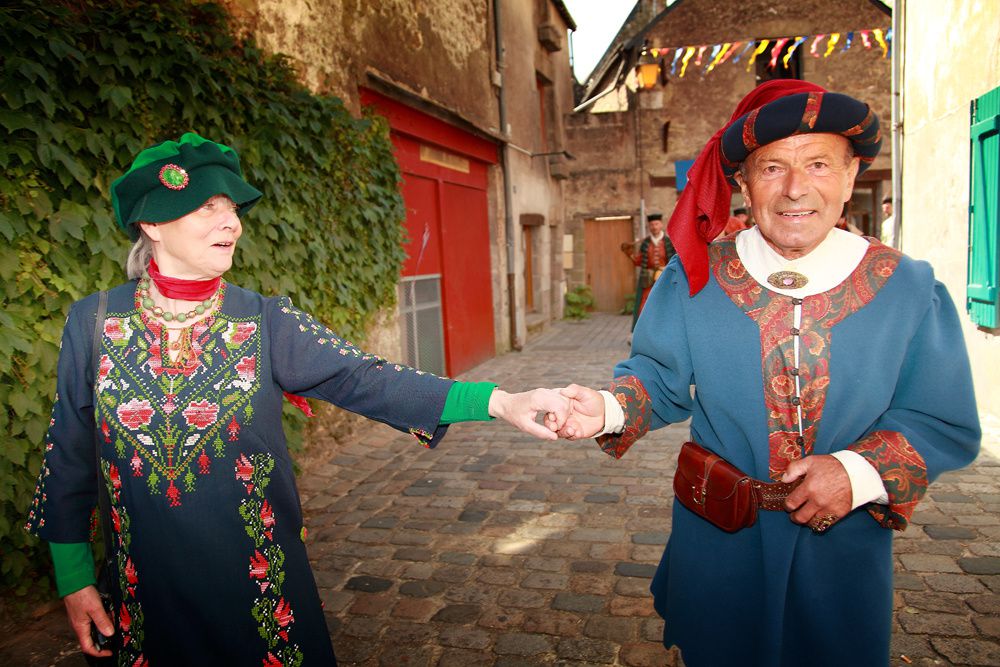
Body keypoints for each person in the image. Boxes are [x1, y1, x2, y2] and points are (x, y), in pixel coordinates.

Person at [24, 132, 569, 665]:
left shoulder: (264, 320)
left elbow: (367, 379)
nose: (232, 222)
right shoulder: (93, 322)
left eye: (232, 208)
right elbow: (69, 453)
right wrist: (74, 578)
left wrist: (498, 401)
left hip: (259, 593)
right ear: (152, 224)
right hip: (146, 596)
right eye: (207, 207)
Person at [552, 80, 980, 666]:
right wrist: (604, 407)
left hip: (844, 548)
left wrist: (855, 472)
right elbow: (658, 375)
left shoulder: (909, 289)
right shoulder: (694, 277)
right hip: (721, 538)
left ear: (852, 175)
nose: (796, 189)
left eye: (820, 164)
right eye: (772, 166)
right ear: (744, 184)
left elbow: (939, 418)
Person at [620, 212, 675, 330]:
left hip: (664, 278)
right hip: (648, 279)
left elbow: (675, 261)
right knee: (644, 304)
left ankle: (666, 329)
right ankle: (644, 331)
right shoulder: (645, 243)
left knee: (666, 303)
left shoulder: (669, 242)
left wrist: (665, 268)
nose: (654, 227)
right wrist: (630, 255)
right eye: (652, 225)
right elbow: (639, 261)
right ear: (649, 227)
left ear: (661, 225)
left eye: (656, 224)